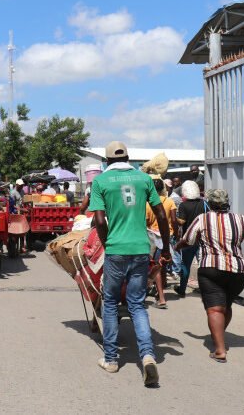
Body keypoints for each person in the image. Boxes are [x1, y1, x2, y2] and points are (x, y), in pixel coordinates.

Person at [89, 141, 169, 386]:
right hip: (140, 250)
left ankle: (111, 359)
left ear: (107, 160)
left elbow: (100, 221)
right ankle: (147, 356)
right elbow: (162, 214)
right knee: (137, 304)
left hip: (116, 250)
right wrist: (165, 246)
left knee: (111, 302)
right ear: (129, 157)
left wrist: (107, 242)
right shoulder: (143, 179)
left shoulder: (100, 182)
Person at [176, 189, 244, 363]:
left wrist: (177, 247)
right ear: (227, 203)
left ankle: (220, 349)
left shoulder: (203, 219)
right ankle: (218, 335)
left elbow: (188, 240)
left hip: (211, 269)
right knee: (226, 305)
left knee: (215, 308)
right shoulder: (240, 219)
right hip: (238, 271)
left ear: (209, 204)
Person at [145, 178, 177, 309]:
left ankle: (161, 298)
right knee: (162, 266)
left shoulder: (147, 204)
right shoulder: (170, 201)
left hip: (151, 237)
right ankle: (160, 292)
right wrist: (175, 233)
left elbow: (145, 222)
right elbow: (174, 220)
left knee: (155, 266)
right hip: (166, 237)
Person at [174, 180, 208, 296]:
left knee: (185, 265)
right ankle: (206, 289)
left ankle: (182, 289)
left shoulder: (183, 205)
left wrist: (173, 217)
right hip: (202, 239)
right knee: (203, 265)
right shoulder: (204, 203)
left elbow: (182, 221)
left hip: (188, 239)